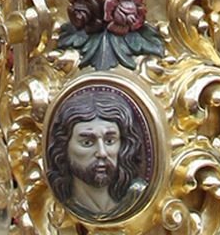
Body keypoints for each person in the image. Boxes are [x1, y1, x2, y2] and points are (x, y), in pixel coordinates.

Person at [44, 84, 153, 222]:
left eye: (109, 141)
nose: (102, 153)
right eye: (87, 143)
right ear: (63, 149)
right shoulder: (58, 210)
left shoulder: (137, 196)